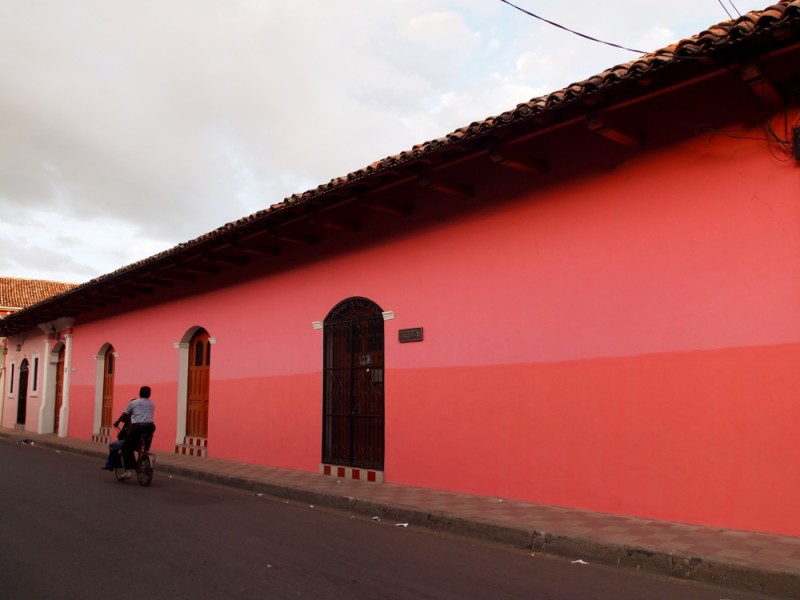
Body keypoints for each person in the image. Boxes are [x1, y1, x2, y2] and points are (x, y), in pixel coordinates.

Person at [118, 385, 156, 480]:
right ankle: (144, 454)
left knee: (126, 446)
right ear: (149, 394)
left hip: (137, 427)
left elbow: (125, 414)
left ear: (139, 393)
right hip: (150, 427)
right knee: (144, 444)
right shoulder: (152, 403)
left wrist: (117, 422)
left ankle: (128, 471)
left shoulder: (134, 403)